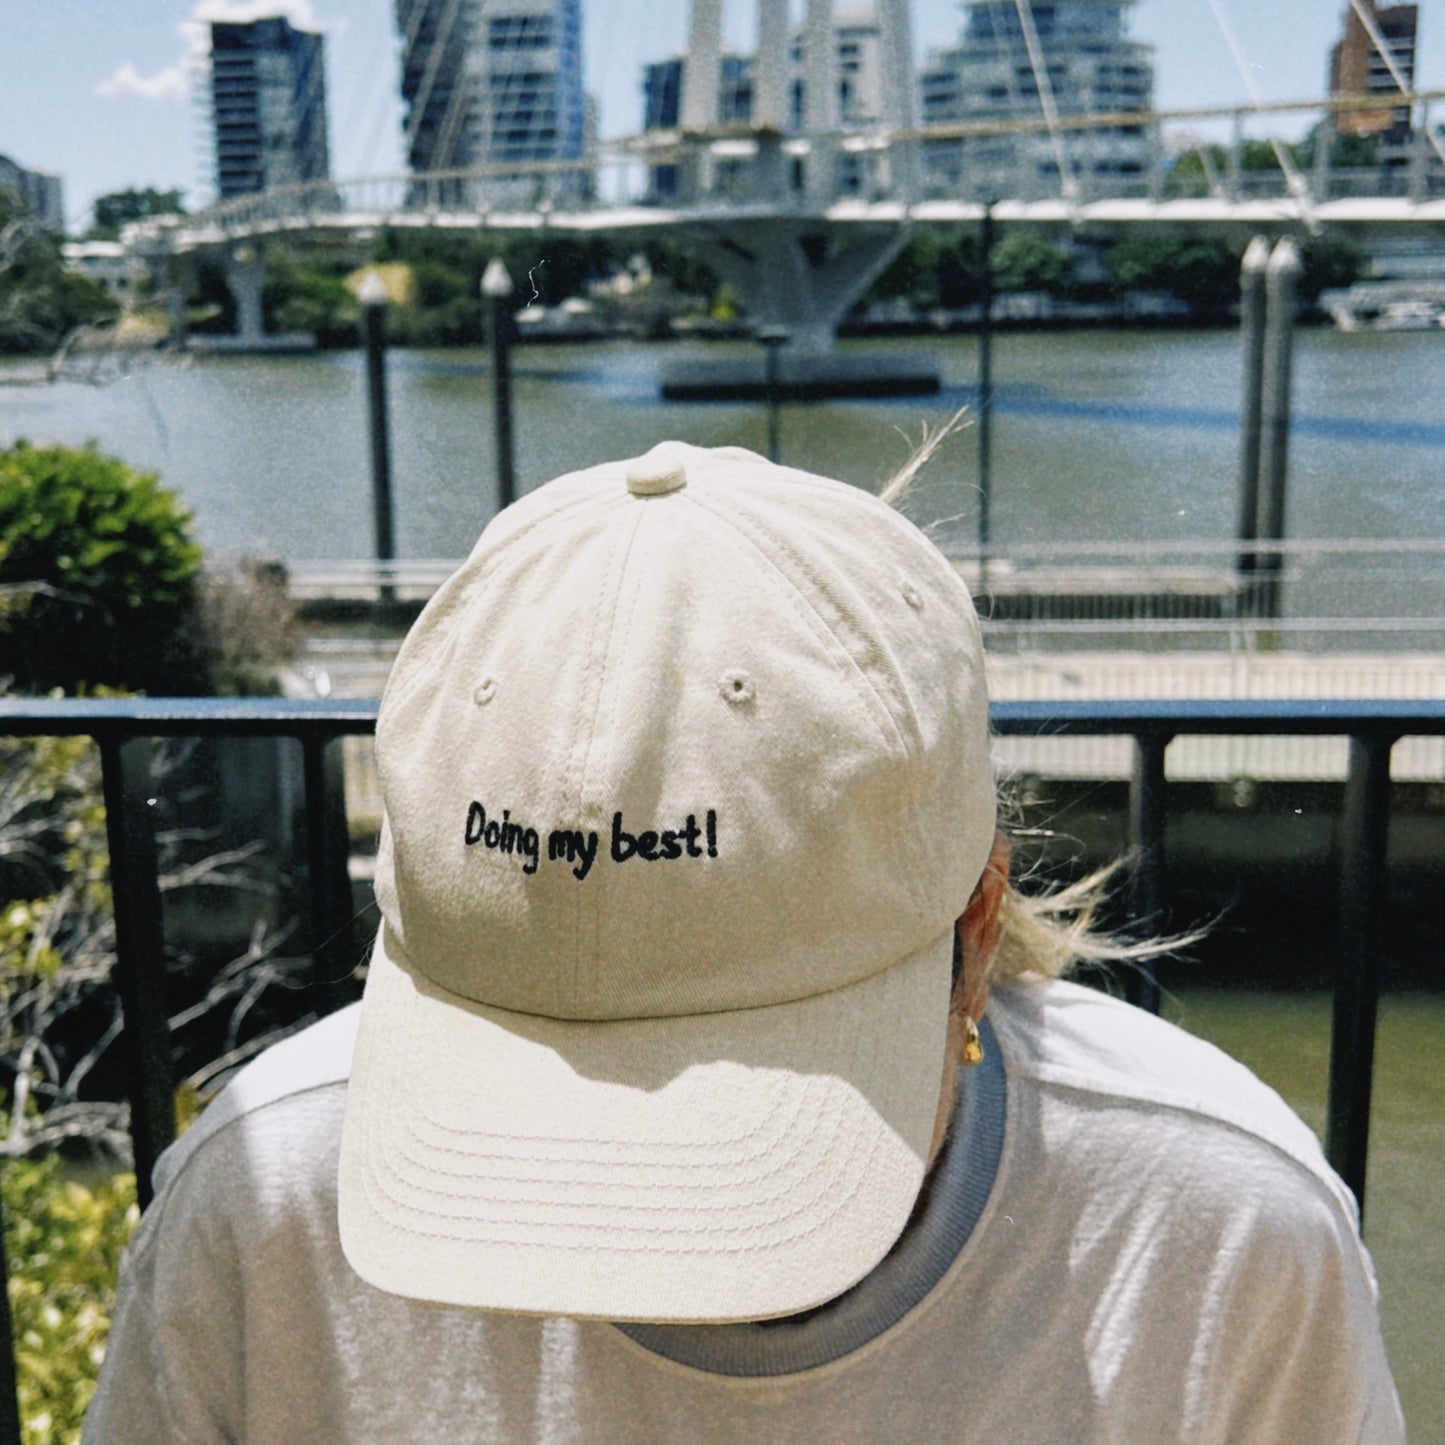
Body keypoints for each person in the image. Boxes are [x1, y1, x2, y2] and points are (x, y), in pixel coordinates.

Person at [85, 443, 1403, 1443]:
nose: (629, 1218)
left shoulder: (1225, 1239)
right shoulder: (252, 1216)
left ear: (975, 925)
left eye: (748, 1079)